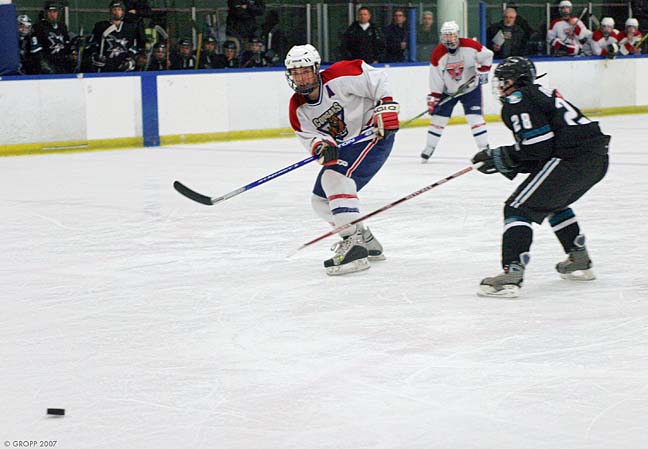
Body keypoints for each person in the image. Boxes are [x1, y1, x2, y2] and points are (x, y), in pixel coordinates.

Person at [470, 56, 610, 298]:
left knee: (517, 208)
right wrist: (505, 161)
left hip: (571, 159)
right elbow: (541, 154)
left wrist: (501, 156)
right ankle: (578, 258)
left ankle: (512, 274)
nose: (501, 87)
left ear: (520, 80)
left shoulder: (520, 99)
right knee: (552, 202)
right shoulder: (540, 94)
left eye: (505, 81)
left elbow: (538, 149)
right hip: (596, 159)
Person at [285, 44, 400, 275]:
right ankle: (365, 240)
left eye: (305, 71)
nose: (301, 78)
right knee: (320, 200)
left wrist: (386, 105)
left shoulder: (340, 75)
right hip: (347, 148)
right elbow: (311, 137)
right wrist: (321, 147)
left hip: (374, 135)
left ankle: (353, 245)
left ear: (316, 69)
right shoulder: (298, 108)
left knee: (334, 177)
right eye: (296, 73)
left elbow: (377, 79)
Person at [421, 21, 493, 162]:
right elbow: (435, 76)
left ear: (457, 35)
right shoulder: (438, 53)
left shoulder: (471, 45)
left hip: (470, 88)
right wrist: (435, 96)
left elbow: (487, 55)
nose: (449, 38)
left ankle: (484, 148)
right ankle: (429, 147)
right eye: (446, 35)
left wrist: (484, 70)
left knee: (474, 117)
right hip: (448, 91)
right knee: (438, 119)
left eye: (451, 35)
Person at [87, 1, 139, 72]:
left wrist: (130, 59)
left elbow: (134, 46)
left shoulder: (130, 27)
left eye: (119, 9)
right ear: (110, 11)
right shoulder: (101, 26)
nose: (117, 12)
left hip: (123, 67)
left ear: (123, 12)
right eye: (114, 9)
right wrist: (95, 57)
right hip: (105, 67)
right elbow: (92, 44)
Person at [33, 1, 70, 73]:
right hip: (48, 65)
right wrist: (43, 64)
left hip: (63, 64)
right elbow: (37, 50)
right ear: (46, 13)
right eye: (49, 12)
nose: (52, 14)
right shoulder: (39, 27)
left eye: (54, 11)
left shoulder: (62, 27)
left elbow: (67, 44)